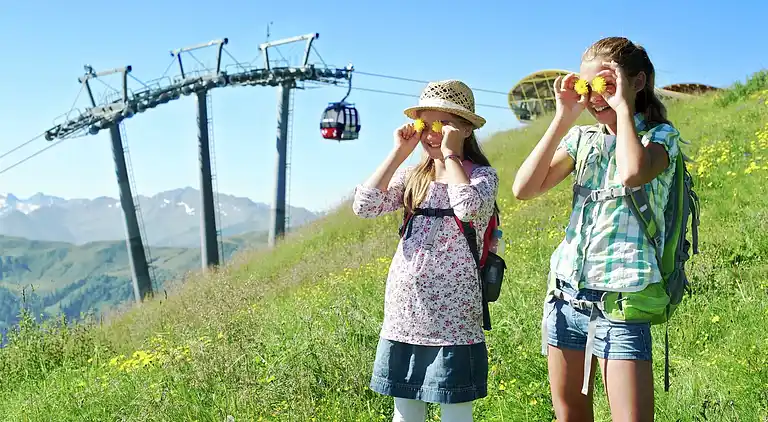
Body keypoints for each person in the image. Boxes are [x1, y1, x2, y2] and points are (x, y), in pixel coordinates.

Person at [512, 37, 681, 421]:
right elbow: (524, 188)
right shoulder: (582, 140)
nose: (594, 96)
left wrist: (621, 109)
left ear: (636, 83)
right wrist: (563, 117)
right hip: (566, 295)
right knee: (570, 416)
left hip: (621, 302)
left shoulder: (660, 138)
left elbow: (632, 172)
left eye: (606, 84)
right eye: (587, 87)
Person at [352, 79, 499, 422]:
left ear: (465, 128)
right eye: (425, 125)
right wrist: (399, 153)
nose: (432, 134)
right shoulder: (413, 177)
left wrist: (449, 156)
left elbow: (470, 209)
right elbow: (365, 205)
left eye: (443, 125)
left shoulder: (481, 176)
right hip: (405, 311)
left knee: (455, 409)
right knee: (405, 410)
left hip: (454, 316)